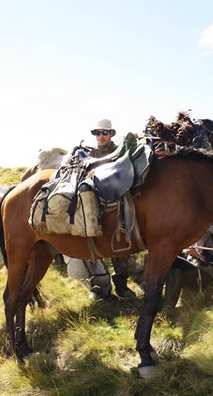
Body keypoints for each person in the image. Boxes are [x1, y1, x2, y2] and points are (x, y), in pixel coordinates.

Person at [88, 118, 137, 299]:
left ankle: (121, 286)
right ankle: (99, 285)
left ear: (111, 134)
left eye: (104, 133)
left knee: (119, 243)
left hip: (116, 202)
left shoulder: (119, 151)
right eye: (96, 133)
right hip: (93, 203)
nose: (100, 136)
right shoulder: (90, 153)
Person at [162, 223, 213, 311]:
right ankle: (162, 303)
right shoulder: (196, 231)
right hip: (196, 271)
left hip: (212, 277)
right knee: (172, 259)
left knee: (176, 262)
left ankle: (168, 309)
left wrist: (197, 255)